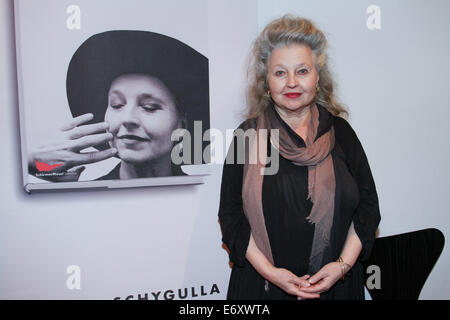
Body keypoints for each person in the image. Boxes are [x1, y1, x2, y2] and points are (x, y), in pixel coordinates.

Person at [218, 15, 381, 300]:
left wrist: (342, 266)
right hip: (263, 289)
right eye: (280, 73)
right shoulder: (247, 136)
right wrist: (270, 272)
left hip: (336, 288)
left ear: (318, 78)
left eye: (302, 71)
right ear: (266, 83)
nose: (292, 82)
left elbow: (367, 209)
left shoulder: (340, 133)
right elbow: (230, 216)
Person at [28, 30, 209, 181]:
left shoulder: (203, 194)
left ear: (182, 126)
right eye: (117, 105)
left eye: (149, 107)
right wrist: (32, 164)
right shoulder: (87, 195)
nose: (128, 119)